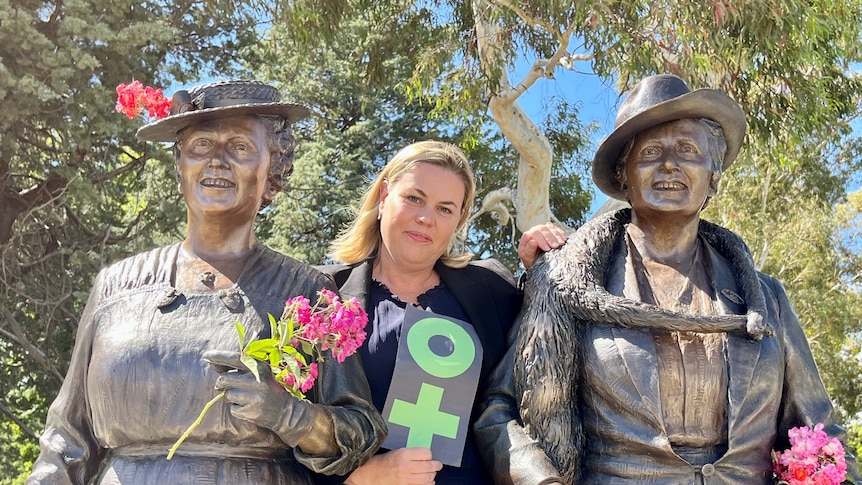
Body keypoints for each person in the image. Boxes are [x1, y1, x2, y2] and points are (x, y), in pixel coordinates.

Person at [475, 74, 861, 484]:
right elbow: (499, 408)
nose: (670, 164)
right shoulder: (566, 282)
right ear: (625, 175)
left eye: (688, 150)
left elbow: (820, 431)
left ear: (714, 174)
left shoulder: (766, 299)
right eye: (652, 152)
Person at [26, 80, 385, 485]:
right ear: (179, 165)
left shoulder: (306, 292)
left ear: (274, 170)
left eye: (241, 147)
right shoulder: (115, 287)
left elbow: (361, 430)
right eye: (200, 144)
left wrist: (292, 415)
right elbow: (67, 439)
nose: (216, 160)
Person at [314, 140, 564, 485]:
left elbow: (544, 355)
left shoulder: (492, 290)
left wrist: (543, 269)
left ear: (459, 218)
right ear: (385, 196)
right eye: (414, 198)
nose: (426, 218)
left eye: (445, 209)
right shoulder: (323, 296)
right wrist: (362, 477)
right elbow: (291, 425)